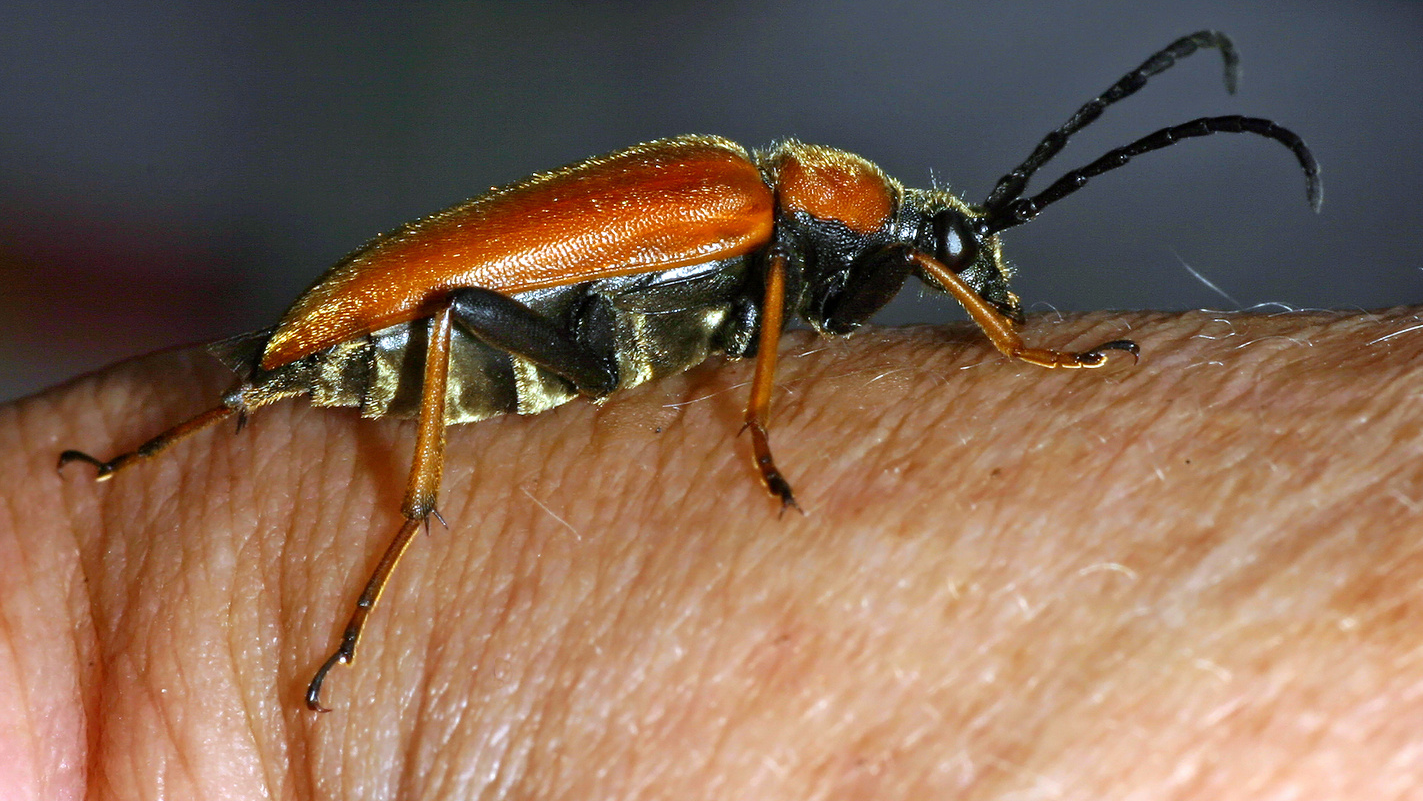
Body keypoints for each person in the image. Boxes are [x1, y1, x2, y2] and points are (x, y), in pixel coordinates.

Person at [6, 308, 1421, 798]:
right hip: (421, 330)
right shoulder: (747, 226)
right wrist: (755, 422)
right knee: (435, 334)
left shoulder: (771, 232)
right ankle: (363, 516)